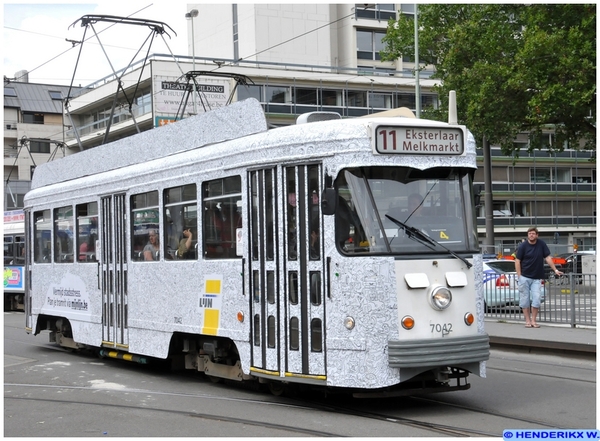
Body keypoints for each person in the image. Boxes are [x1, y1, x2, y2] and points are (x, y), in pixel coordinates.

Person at [515, 227, 563, 328]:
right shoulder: (523, 246)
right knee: (525, 300)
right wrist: (519, 275)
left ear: (537, 235)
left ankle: (534, 321)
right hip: (524, 277)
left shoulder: (541, 244)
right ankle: (527, 321)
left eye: (533, 233)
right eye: (529, 233)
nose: (531, 235)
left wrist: (555, 270)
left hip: (537, 277)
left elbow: (548, 258)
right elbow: (517, 260)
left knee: (536, 299)